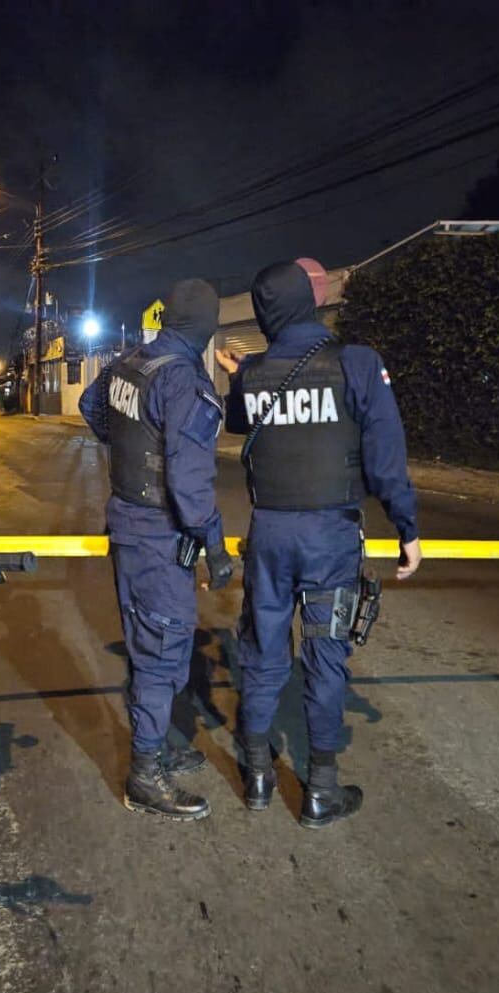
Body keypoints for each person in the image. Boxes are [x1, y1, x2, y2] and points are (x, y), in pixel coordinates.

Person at [217, 259, 421, 829]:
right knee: (325, 657)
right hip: (329, 537)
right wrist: (408, 529)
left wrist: (239, 373)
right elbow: (385, 461)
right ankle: (320, 792)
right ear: (311, 301)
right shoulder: (355, 364)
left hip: (269, 535)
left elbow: (240, 422)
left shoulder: (252, 373)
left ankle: (257, 775)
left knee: (261, 652)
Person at [80, 279, 234, 821]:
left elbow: (89, 403)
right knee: (163, 649)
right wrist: (215, 546)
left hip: (126, 522)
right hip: (159, 534)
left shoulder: (131, 361)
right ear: (207, 326)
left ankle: (157, 743)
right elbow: (191, 491)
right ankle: (145, 776)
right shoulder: (185, 381)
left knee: (149, 640)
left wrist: (125, 446)